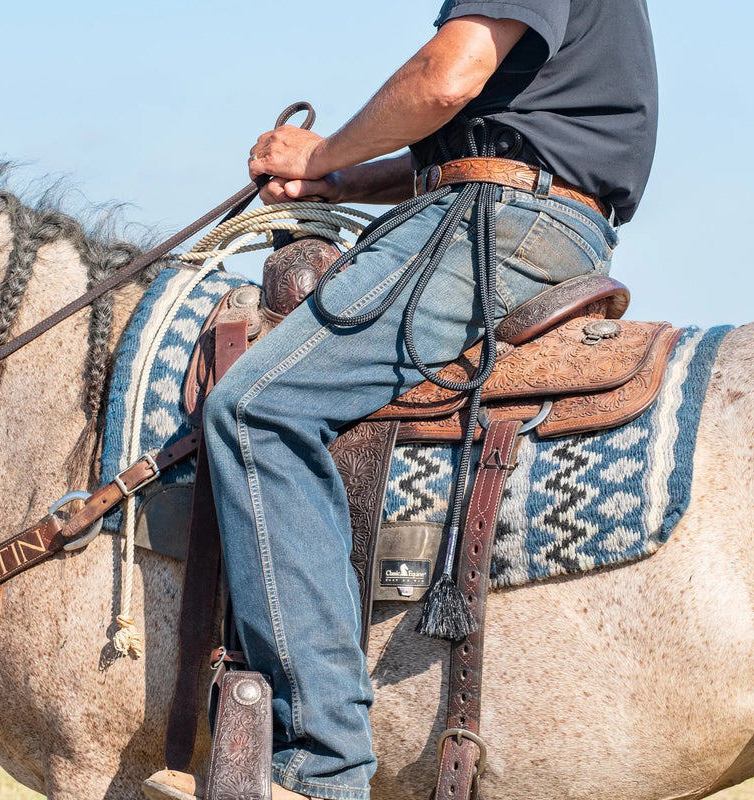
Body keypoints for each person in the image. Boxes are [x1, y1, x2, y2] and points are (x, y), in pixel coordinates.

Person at [144, 1, 656, 799]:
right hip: (502, 205)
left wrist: (322, 150)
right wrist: (341, 181)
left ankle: (320, 763)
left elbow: (448, 78)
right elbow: (471, 140)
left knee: (256, 408)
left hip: (500, 219)